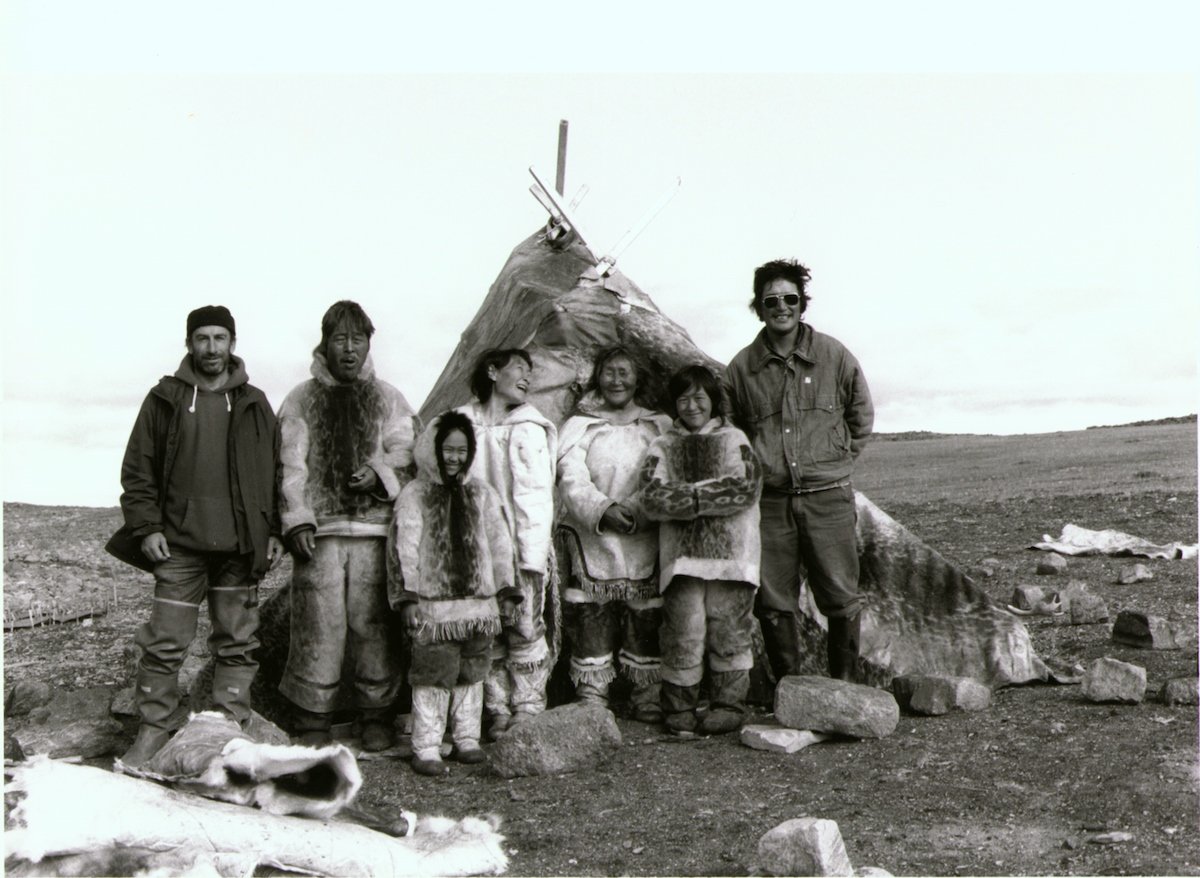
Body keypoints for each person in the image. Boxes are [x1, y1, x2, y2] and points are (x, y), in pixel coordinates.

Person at [110, 305, 283, 768]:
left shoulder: (255, 403)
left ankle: (227, 732)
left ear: (232, 344)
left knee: (237, 643)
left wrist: (275, 532)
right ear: (190, 343)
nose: (211, 348)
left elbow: (276, 473)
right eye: (202, 338)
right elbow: (138, 468)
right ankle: (154, 730)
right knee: (164, 643)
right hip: (179, 546)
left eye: (220, 338)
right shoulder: (164, 398)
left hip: (239, 547)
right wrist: (146, 527)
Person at [277, 300, 418, 751]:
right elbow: (288, 466)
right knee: (319, 624)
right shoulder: (300, 399)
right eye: (340, 339)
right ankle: (313, 715)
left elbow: (409, 453)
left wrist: (379, 473)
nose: (350, 348)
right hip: (320, 534)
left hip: (376, 530)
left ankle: (374, 713)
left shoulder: (389, 398)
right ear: (325, 343)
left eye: (358, 339)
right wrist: (296, 518)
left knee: (373, 623)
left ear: (368, 343)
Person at [724, 259, 873, 682]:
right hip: (770, 504)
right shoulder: (741, 369)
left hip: (828, 498)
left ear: (802, 303)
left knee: (841, 596)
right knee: (774, 601)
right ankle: (790, 691)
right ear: (759, 307)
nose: (781, 307)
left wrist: (835, 463)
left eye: (790, 298)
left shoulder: (834, 355)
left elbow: (860, 416)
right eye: (771, 300)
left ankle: (842, 689)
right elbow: (731, 435)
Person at [389, 411, 522, 776]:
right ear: (432, 450)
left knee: (472, 670)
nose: (454, 458)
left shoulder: (481, 492)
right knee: (433, 672)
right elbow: (405, 547)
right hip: (434, 611)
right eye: (447, 449)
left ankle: (467, 738)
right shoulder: (414, 495)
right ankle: (427, 745)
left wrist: (507, 590)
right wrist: (408, 597)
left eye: (462, 450)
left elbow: (500, 543)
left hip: (479, 606)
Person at [637, 365, 762, 735]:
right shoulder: (663, 444)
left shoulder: (733, 438)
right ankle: (680, 708)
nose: (691, 406)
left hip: (733, 556)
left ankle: (728, 705)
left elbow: (745, 488)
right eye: (683, 398)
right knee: (683, 630)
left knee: (730, 628)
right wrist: (709, 493)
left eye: (699, 397)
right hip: (682, 559)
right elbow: (649, 497)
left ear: (713, 401)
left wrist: (686, 494)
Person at [556, 347, 673, 721]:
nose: (616, 380)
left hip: (644, 533)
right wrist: (602, 509)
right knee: (590, 613)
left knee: (646, 614)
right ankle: (593, 692)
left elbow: (664, 472)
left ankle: (646, 692)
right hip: (594, 534)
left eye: (624, 372)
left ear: (637, 378)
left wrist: (637, 510)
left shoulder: (658, 426)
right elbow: (570, 474)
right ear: (598, 377)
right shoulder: (582, 425)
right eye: (609, 372)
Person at [455, 349, 557, 737]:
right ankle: (497, 708)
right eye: (520, 368)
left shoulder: (531, 426)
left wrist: (531, 556)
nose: (528, 377)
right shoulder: (461, 424)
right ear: (493, 371)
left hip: (518, 547)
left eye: (532, 371)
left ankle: (528, 706)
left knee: (525, 627)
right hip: (475, 549)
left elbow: (536, 496)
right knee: (486, 630)